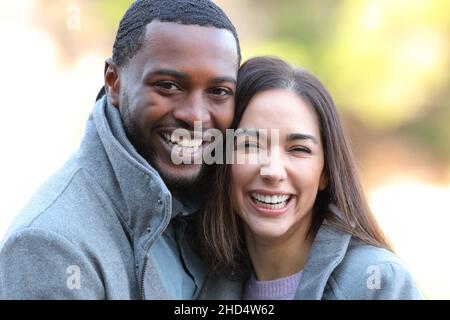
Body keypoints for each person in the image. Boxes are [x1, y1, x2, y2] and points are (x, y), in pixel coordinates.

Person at [0, 0, 240, 299]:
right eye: (168, 85)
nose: (195, 116)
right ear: (113, 82)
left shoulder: (231, 206)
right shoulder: (51, 244)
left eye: (218, 92)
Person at [199, 56, 424, 299]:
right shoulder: (198, 282)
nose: (273, 171)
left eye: (298, 149)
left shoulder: (379, 283)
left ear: (326, 173)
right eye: (251, 145)